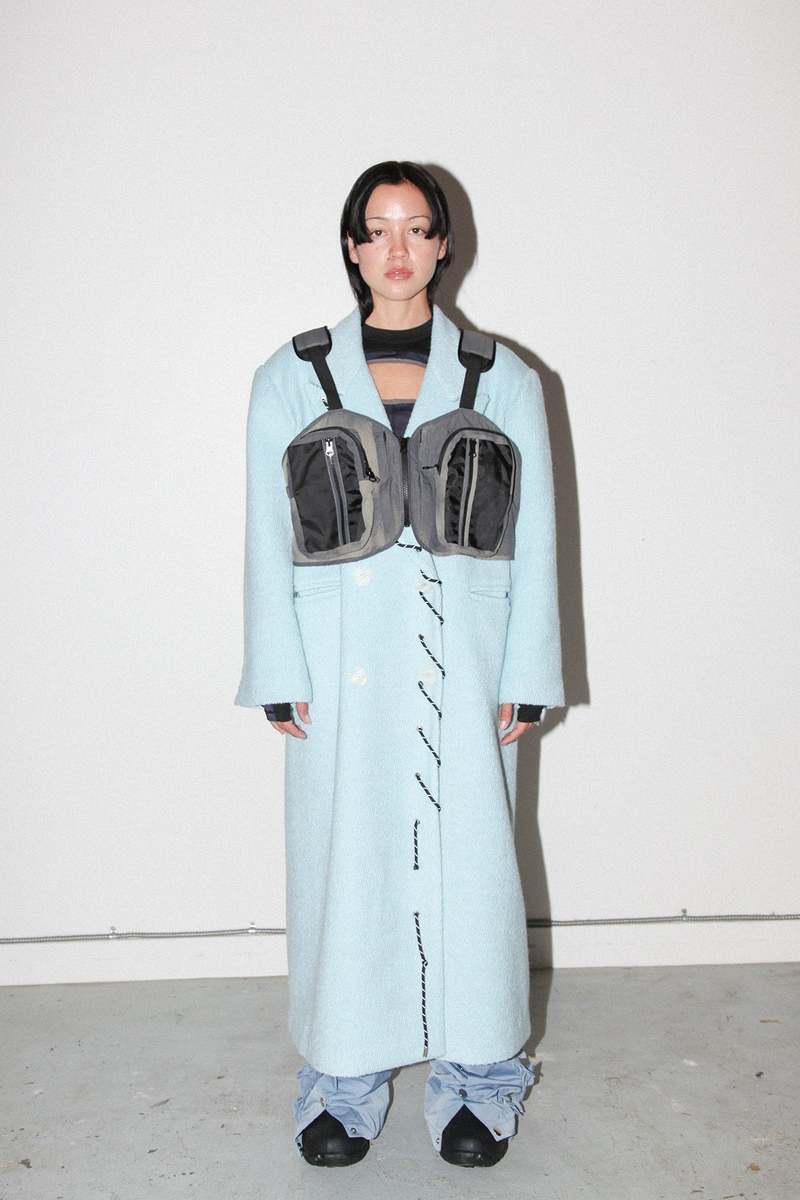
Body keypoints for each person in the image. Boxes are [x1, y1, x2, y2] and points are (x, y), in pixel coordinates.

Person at [234, 160, 564, 1167]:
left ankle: (481, 1074)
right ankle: (343, 1077)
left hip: (468, 656)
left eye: (416, 228)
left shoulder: (503, 376)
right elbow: (264, 533)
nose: (396, 249)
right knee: (345, 862)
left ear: (443, 244)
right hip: (338, 656)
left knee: (473, 862)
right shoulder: (290, 375)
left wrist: (528, 671)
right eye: (376, 229)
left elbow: (538, 531)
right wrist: (276, 669)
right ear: (350, 245)